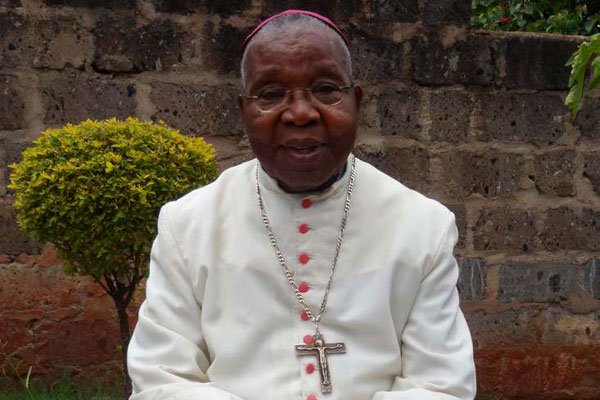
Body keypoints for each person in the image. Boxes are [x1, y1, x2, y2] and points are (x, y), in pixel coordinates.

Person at [127, 9, 476, 400]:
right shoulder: (187, 226)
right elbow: (161, 379)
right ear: (244, 111)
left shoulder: (422, 227)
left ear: (356, 101)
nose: (300, 113)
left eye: (326, 89)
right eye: (272, 94)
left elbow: (441, 385)